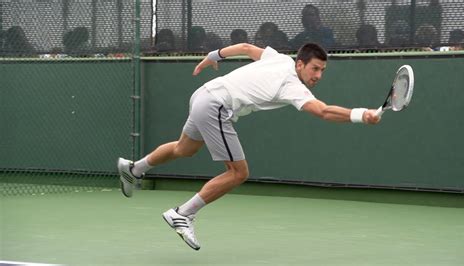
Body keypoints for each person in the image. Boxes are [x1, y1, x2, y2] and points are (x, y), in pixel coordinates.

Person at [117, 42, 380, 251]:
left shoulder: (278, 58)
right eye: (315, 69)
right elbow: (322, 111)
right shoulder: (291, 85)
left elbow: (244, 48)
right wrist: (360, 114)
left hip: (204, 93)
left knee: (184, 148)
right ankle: (182, 214)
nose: (318, 75)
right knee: (238, 172)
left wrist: (213, 56)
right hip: (217, 106)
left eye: (322, 70)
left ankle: (134, 168)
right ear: (300, 64)